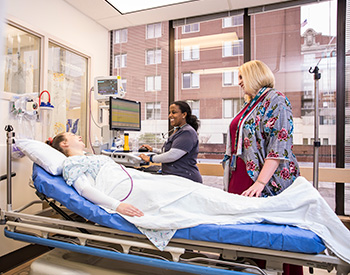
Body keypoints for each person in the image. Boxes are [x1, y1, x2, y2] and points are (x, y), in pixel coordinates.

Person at [46, 131, 350, 264]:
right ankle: (288, 206)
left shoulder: (93, 157)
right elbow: (86, 191)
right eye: (73, 136)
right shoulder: (73, 163)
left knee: (207, 196)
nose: (79, 136)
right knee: (215, 205)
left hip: (151, 184)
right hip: (135, 195)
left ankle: (286, 206)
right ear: (63, 144)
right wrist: (117, 206)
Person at [223, 60, 300, 198]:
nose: (239, 82)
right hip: (241, 171)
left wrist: (260, 182)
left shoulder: (276, 99)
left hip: (261, 178)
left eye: (241, 77)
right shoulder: (250, 104)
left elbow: (279, 146)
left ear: (253, 75)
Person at [139, 101, 202, 183]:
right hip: (176, 177)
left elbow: (173, 155)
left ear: (184, 114)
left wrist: (151, 158)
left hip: (186, 179)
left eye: (174, 112)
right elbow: (170, 151)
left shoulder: (187, 132)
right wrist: (153, 150)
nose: (170, 115)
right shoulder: (178, 130)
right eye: (169, 113)